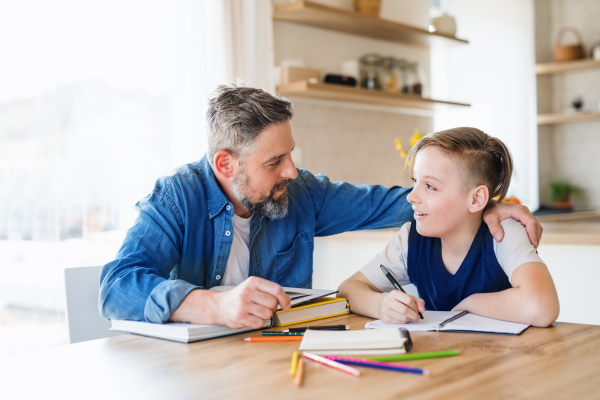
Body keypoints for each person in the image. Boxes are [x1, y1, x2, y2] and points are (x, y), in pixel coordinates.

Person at [99, 85, 543, 329]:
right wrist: (212, 308)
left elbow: (401, 203)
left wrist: (486, 205)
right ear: (225, 164)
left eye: (291, 153)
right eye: (275, 162)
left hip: (276, 360)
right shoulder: (176, 198)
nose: (292, 171)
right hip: (195, 373)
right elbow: (116, 286)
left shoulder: (301, 193)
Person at [338, 127, 559, 328]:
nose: (412, 196)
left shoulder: (502, 232)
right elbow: (348, 289)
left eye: (430, 186)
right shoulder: (410, 239)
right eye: (415, 181)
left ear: (476, 199)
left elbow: (541, 306)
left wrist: (470, 304)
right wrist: (380, 305)